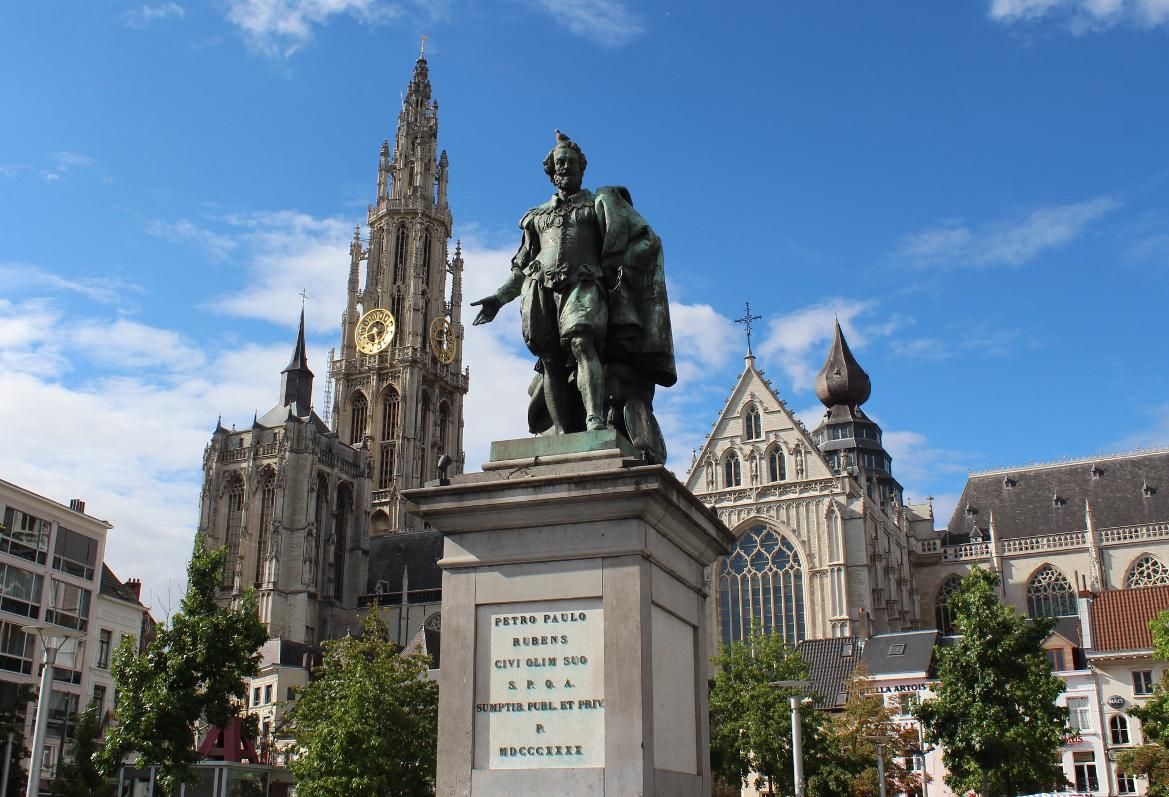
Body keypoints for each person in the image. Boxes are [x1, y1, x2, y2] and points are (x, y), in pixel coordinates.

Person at [471, 132, 675, 459]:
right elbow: (522, 266)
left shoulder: (600, 204)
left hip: (585, 282)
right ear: (551, 171)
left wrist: (617, 264)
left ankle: (594, 419)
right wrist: (498, 298)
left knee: (582, 342)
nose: (564, 167)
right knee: (550, 361)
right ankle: (563, 432)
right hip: (538, 287)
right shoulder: (535, 217)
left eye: (570, 162)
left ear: (582, 168)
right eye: (558, 163)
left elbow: (648, 240)